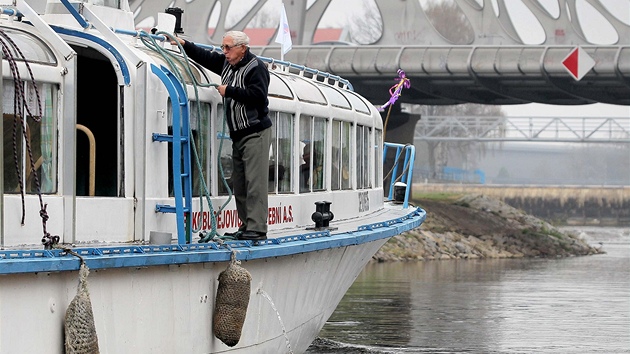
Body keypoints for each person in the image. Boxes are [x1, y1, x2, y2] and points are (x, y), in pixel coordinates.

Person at [173, 31, 271, 241]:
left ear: (242, 48)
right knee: (240, 183)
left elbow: (259, 96)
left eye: (228, 48)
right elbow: (205, 57)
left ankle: (258, 228)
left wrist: (231, 91)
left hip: (255, 132)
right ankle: (246, 225)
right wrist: (183, 43)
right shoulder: (227, 63)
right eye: (222, 47)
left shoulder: (256, 68)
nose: (224, 52)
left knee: (255, 182)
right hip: (238, 134)